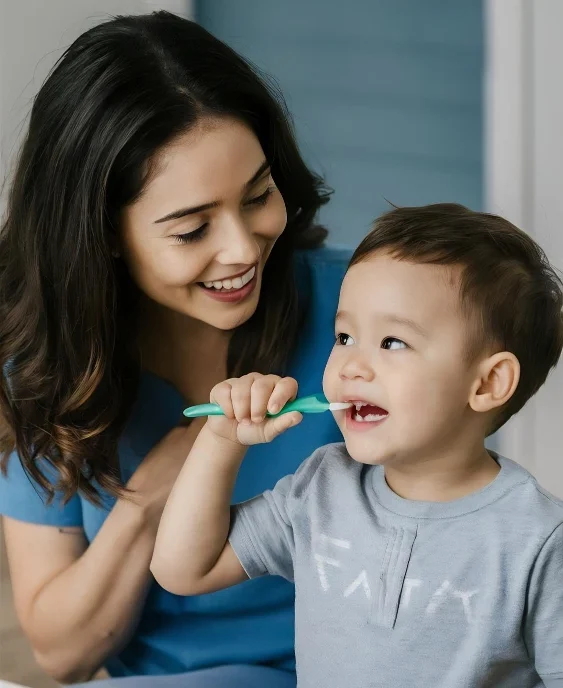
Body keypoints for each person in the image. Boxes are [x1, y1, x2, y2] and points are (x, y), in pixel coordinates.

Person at [0, 11, 350, 687]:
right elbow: (62, 654)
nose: (243, 250)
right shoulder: (43, 363)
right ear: (99, 233)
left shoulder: (357, 311)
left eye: (258, 196)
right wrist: (147, 501)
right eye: (191, 230)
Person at [151, 204, 563, 688]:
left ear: (489, 383)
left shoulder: (538, 540)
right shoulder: (322, 488)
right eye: (344, 336)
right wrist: (220, 439)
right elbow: (181, 570)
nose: (350, 366)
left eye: (391, 343)